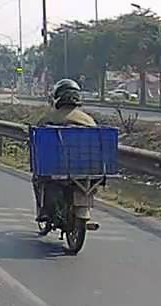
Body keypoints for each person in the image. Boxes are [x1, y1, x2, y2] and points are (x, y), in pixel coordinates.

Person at [34, 79, 97, 222]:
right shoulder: (88, 120)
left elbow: (38, 134)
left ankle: (44, 211)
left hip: (56, 167)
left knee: (39, 179)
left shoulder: (49, 118)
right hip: (84, 166)